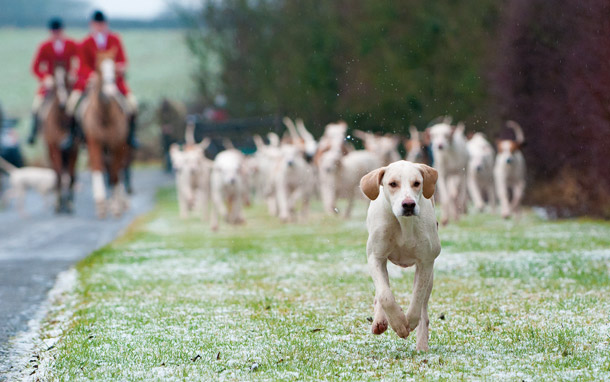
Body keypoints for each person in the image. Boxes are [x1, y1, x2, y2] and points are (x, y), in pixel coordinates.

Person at [64, 10, 138, 149]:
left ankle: (131, 136)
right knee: (71, 105)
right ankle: (74, 135)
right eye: (97, 24)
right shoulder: (85, 42)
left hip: (114, 83)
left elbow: (122, 60)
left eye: (102, 24)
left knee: (133, 105)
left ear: (106, 24)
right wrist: (91, 76)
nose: (99, 27)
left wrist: (120, 67)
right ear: (92, 25)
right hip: (90, 83)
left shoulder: (115, 40)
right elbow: (82, 66)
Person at [28, 17, 79, 145]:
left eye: (58, 32)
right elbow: (35, 68)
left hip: (68, 84)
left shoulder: (71, 44)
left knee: (77, 105)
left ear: (62, 31)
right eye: (54, 32)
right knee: (36, 106)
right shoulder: (44, 46)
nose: (56, 35)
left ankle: (79, 133)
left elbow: (80, 61)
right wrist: (45, 78)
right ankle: (33, 133)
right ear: (51, 32)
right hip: (50, 85)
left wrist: (74, 73)